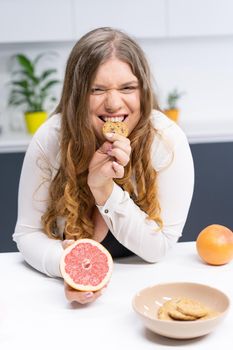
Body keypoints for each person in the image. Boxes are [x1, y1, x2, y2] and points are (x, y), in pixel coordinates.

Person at [13, 27, 194, 304]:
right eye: (96, 89)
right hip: (55, 300)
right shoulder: (50, 139)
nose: (112, 104)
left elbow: (159, 248)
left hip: (145, 292)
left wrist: (104, 189)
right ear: (76, 94)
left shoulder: (167, 141)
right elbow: (27, 233)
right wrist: (67, 266)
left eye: (127, 88)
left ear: (143, 91)